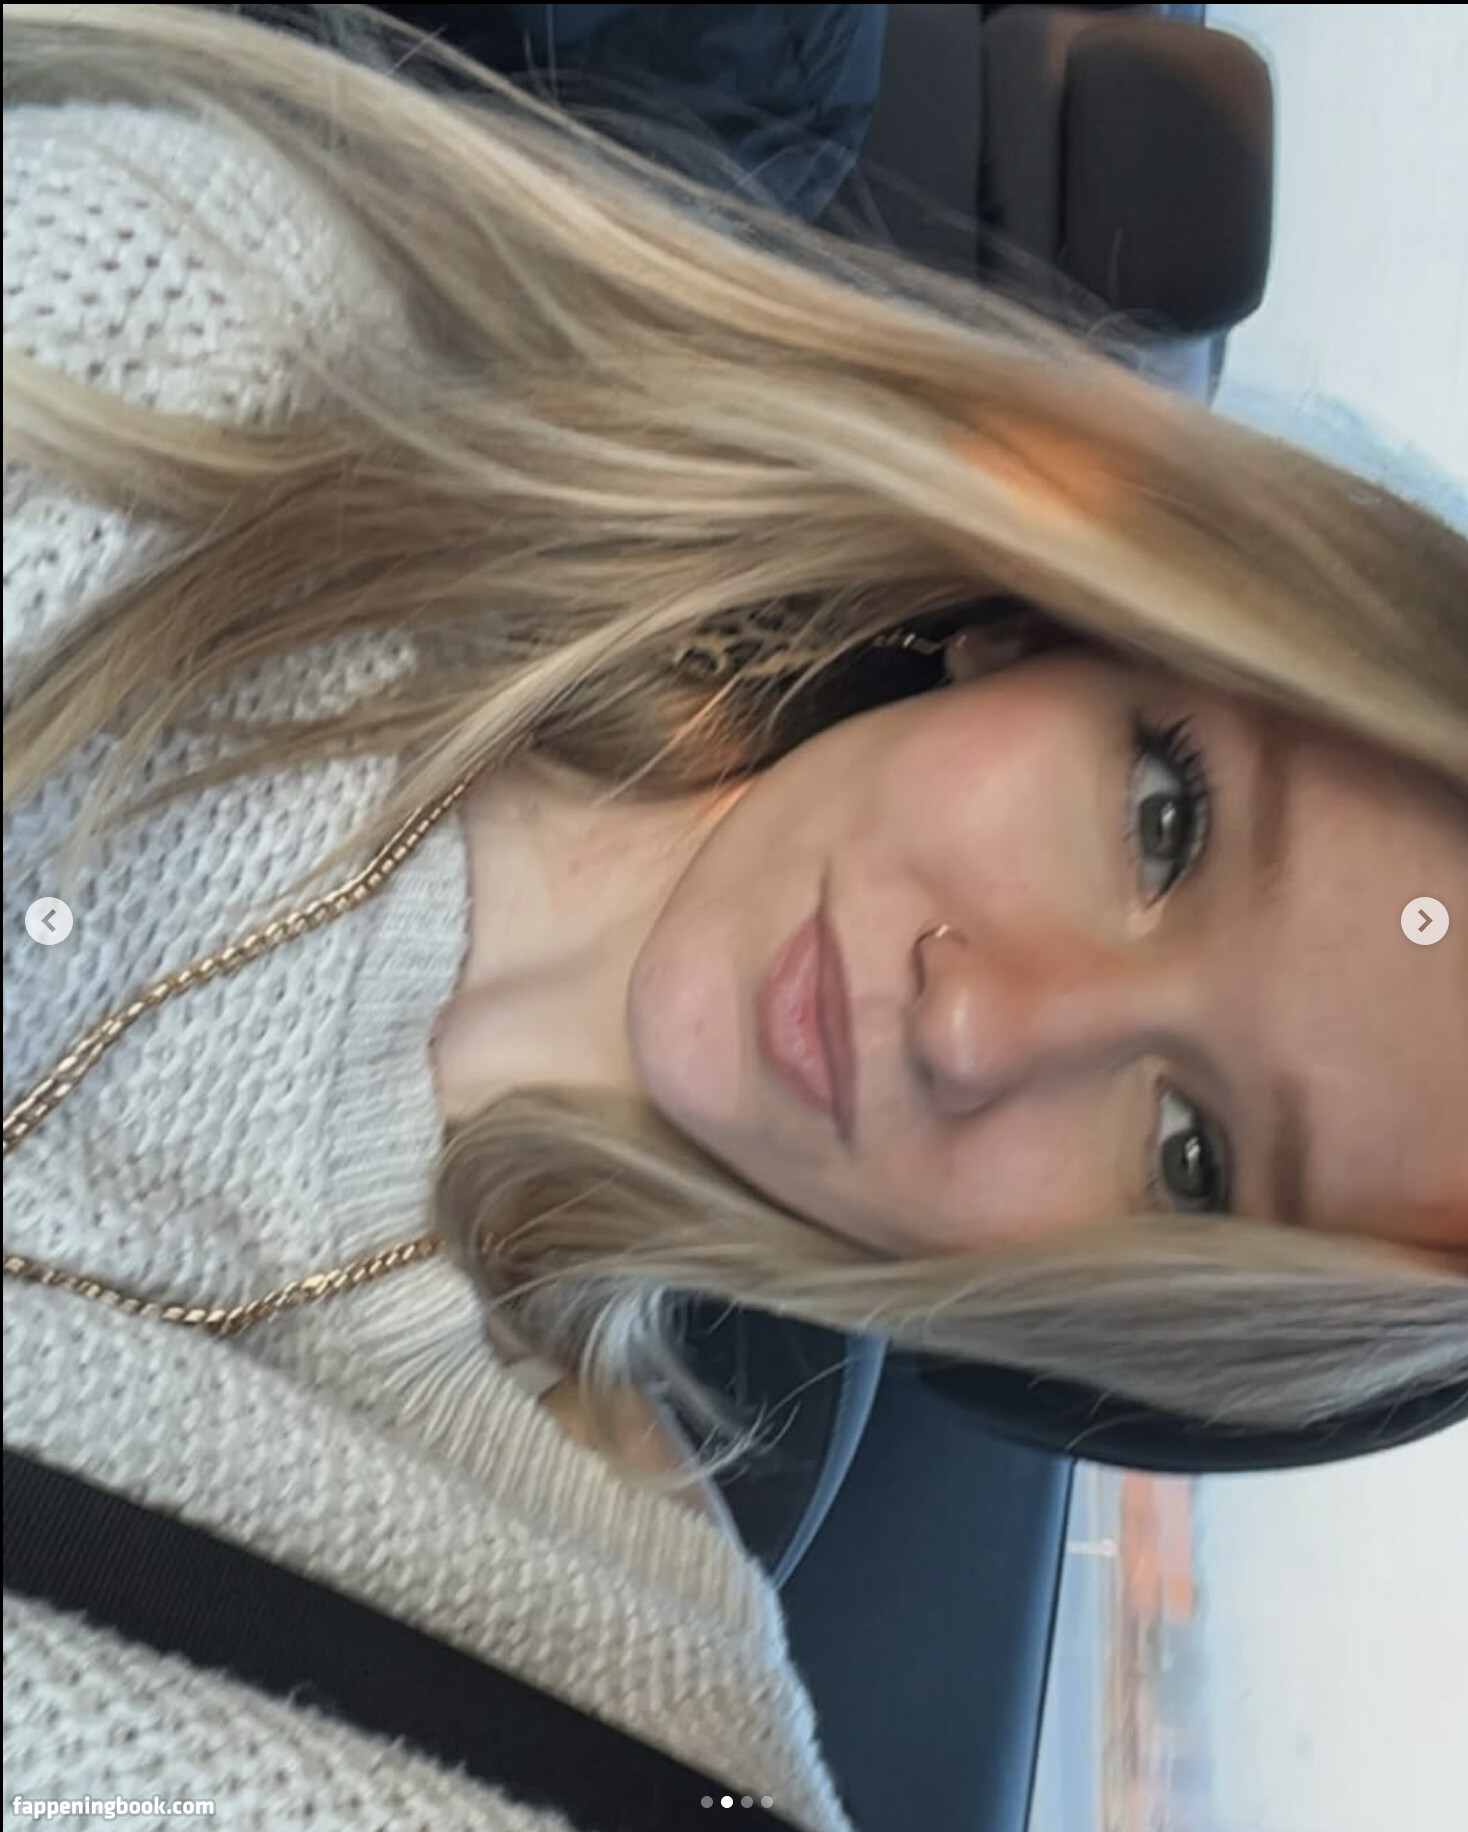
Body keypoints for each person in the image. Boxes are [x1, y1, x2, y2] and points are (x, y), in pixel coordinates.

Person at [4, 6, 1465, 1830]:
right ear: (1046, 625)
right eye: (1159, 823)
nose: (984, 1024)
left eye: (1189, 1159)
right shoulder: (233, 339)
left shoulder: (598, 1718)